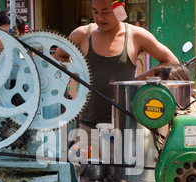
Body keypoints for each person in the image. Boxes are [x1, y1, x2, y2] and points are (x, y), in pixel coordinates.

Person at [55, 0, 178, 146]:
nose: (100, 18)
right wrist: (75, 74)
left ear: (120, 8)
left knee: (130, 169)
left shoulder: (136, 35)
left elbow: (171, 62)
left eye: (106, 12)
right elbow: (59, 56)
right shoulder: (81, 35)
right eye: (95, 12)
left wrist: (139, 80)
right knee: (85, 169)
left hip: (127, 128)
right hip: (89, 128)